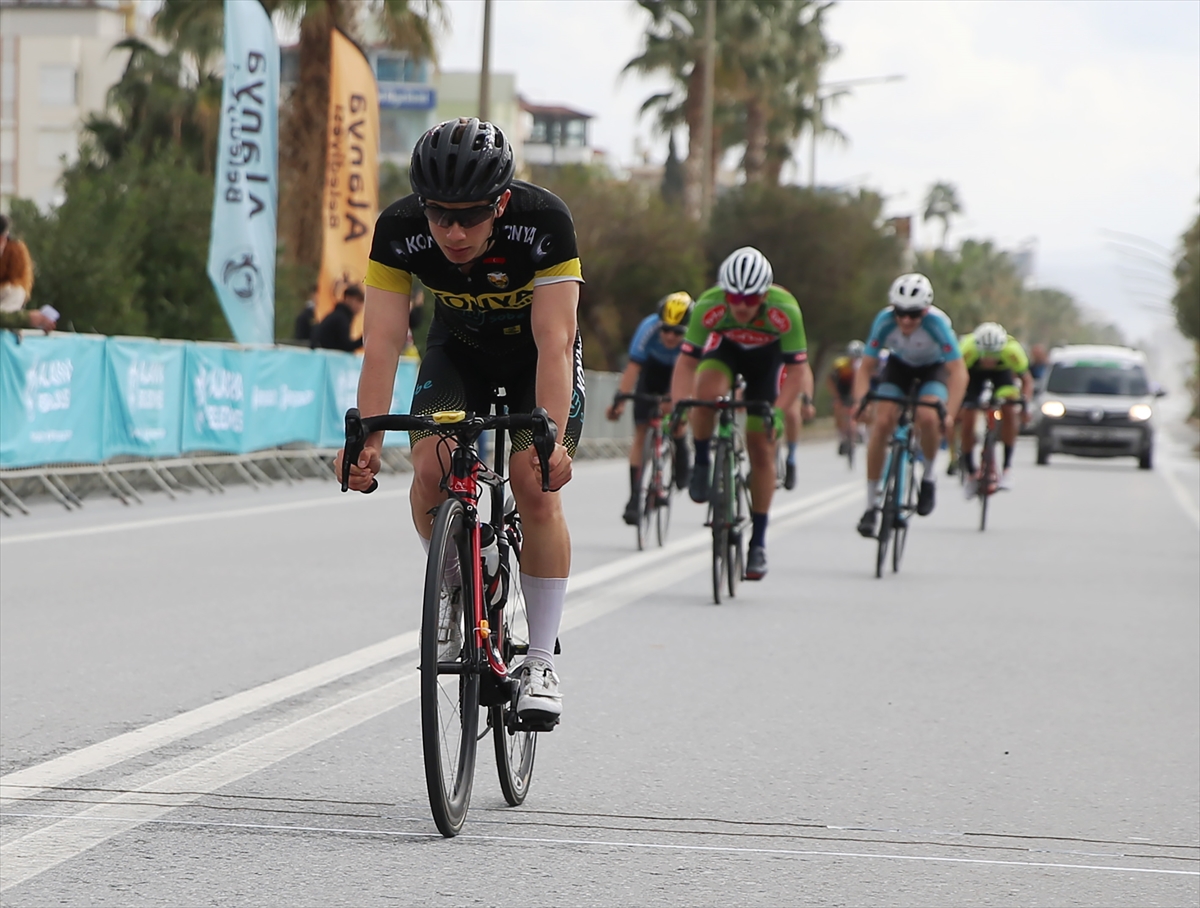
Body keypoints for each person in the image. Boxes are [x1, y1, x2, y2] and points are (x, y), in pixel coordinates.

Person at [335, 118, 582, 726]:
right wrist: (365, 436)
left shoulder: (544, 221)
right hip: (458, 352)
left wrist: (549, 435)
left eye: (469, 215)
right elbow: (385, 343)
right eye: (438, 213)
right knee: (430, 469)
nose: (451, 230)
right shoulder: (396, 230)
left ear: (500, 203)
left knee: (533, 483)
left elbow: (555, 340)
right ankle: (452, 587)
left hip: (533, 358)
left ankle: (540, 661)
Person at [669, 246, 813, 580]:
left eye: (750, 300)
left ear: (764, 296)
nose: (742, 306)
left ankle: (758, 543)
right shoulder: (710, 305)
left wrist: (778, 412)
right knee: (705, 396)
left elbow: (797, 373)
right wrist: (679, 405)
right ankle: (703, 460)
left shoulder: (785, 309)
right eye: (735, 298)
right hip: (727, 352)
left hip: (768, 361)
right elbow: (687, 363)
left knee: (760, 444)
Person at [852, 273, 967, 538]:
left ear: (925, 311)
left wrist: (949, 414)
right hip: (899, 367)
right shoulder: (883, 321)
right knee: (881, 423)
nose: (906, 320)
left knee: (927, 418)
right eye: (900, 313)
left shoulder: (937, 325)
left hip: (933, 369)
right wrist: (860, 403)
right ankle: (870, 506)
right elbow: (866, 366)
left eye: (914, 315)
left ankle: (928, 477)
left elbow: (958, 372)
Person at [607, 291, 694, 525]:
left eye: (677, 332)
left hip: (681, 372)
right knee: (641, 432)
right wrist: (621, 400)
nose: (670, 336)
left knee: (677, 418)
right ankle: (635, 497)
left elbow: (694, 376)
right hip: (652, 373)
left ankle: (680, 444)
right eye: (666, 329)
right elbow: (634, 367)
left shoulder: (695, 335)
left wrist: (677, 400)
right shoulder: (648, 327)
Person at [958, 322, 1032, 492]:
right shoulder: (967, 350)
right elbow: (955, 377)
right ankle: (970, 471)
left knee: (1009, 409)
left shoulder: (1012, 351)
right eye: (986, 355)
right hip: (973, 376)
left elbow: (1027, 381)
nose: (990, 360)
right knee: (967, 415)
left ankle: (1007, 468)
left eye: (994, 355)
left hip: (1002, 375)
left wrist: (1024, 406)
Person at [828, 340, 865, 456]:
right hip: (842, 390)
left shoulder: (864, 366)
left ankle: (859, 429)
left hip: (857, 391)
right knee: (838, 409)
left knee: (860, 409)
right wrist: (837, 396)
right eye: (852, 357)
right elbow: (830, 381)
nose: (855, 360)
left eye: (858, 357)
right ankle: (842, 436)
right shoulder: (841, 365)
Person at [311, 284, 366, 352]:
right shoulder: (341, 318)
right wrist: (363, 339)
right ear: (348, 298)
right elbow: (345, 346)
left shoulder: (340, 315)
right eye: (358, 301)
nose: (360, 306)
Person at [0, 214, 35, 315]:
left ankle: (7, 321)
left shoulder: (16, 250)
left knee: (16, 292)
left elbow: (20, 282)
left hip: (6, 292)